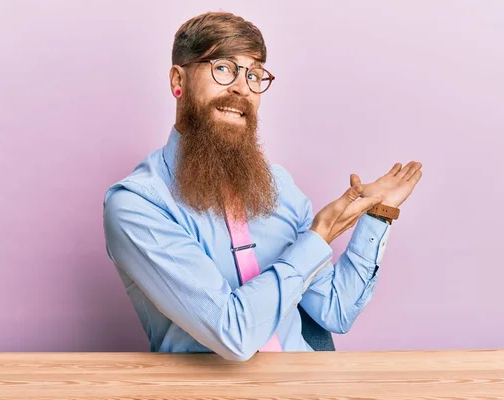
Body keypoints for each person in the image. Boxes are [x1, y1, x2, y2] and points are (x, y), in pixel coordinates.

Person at [103, 11, 422, 362]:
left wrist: (377, 214)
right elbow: (233, 335)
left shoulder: (279, 186)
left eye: (254, 74)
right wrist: (319, 237)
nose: (242, 88)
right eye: (223, 68)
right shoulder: (137, 205)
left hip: (302, 384)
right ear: (178, 80)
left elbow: (335, 310)